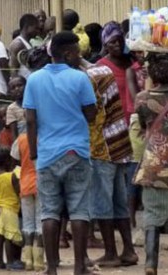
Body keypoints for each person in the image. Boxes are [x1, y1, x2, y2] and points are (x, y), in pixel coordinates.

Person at [24, 31, 97, 275]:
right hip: (77, 151)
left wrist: (34, 153)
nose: (80, 56)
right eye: (77, 52)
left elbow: (30, 120)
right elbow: (91, 115)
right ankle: (79, 267)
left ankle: (51, 267)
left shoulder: (34, 80)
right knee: (79, 210)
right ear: (67, 53)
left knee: (49, 212)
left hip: (46, 154)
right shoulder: (80, 79)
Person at [83, 63, 138, 268]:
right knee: (119, 201)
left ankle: (110, 253)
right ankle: (128, 250)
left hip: (101, 147)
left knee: (102, 203)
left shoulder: (87, 79)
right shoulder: (103, 70)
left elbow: (90, 114)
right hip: (119, 144)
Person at [134, 53, 168, 275]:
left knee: (152, 215)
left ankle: (150, 263)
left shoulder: (142, 99)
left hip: (153, 162)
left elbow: (143, 123)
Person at [11, 120, 44, 271]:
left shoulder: (21, 139)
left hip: (25, 183)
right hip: (41, 183)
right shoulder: (44, 137)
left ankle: (28, 259)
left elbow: (14, 159)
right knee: (40, 221)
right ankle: (39, 260)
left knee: (28, 223)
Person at [0, 145, 24, 270]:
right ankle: (10, 262)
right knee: (9, 236)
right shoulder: (11, 176)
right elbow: (18, 192)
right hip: (10, 209)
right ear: (8, 161)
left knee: (0, 236)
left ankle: (0, 262)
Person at [127, 50, 148, 228]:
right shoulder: (132, 71)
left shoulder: (158, 69)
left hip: (158, 120)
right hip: (139, 121)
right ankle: (130, 217)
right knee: (135, 168)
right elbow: (137, 101)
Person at [97, 22, 133, 123]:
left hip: (136, 120)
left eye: (120, 41)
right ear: (105, 45)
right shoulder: (100, 66)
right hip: (116, 121)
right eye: (113, 42)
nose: (118, 44)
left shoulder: (132, 61)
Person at [9, 14, 39, 78]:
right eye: (36, 28)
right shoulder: (18, 44)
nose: (37, 31)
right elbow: (13, 70)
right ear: (27, 27)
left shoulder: (28, 43)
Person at [6, 76, 26, 141]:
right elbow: (14, 133)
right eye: (13, 88)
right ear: (10, 92)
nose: (17, 89)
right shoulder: (12, 109)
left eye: (20, 85)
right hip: (23, 143)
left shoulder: (36, 102)